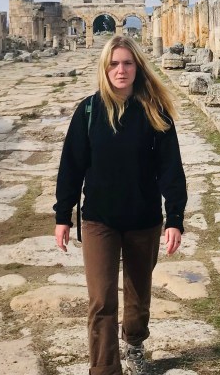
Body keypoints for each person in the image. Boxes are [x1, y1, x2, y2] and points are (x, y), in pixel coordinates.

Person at [55, 34, 187, 375]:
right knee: (101, 300)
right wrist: (63, 216)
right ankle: (104, 368)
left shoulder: (155, 112)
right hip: (99, 220)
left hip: (144, 219)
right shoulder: (88, 111)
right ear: (105, 68)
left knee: (138, 297)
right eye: (114, 63)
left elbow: (170, 168)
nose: (121, 70)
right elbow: (71, 166)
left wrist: (174, 217)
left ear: (137, 67)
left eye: (127, 63)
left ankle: (134, 342)